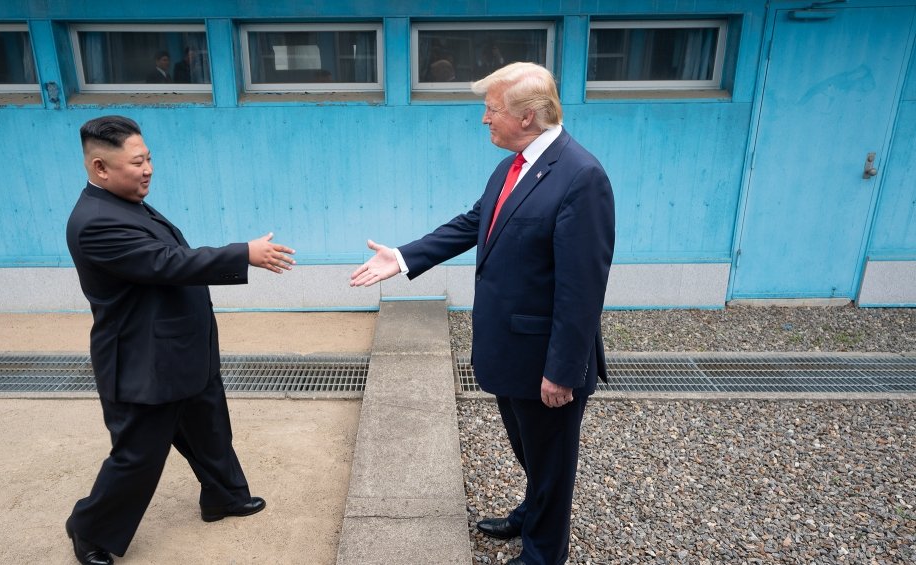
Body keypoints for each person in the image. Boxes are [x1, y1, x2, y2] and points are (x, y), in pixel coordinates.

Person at [349, 62, 614, 565]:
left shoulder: (582, 177)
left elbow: (583, 290)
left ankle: (543, 554)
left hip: (545, 360)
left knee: (553, 461)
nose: (484, 120)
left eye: (492, 111)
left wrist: (563, 371)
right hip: (510, 350)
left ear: (529, 117)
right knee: (530, 452)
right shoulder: (516, 161)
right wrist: (404, 257)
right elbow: (476, 220)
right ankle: (532, 512)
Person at [64, 115, 296, 565]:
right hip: (144, 361)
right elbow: (166, 262)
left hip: (183, 347)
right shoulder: (95, 221)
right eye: (137, 162)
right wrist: (242, 254)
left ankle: (224, 496)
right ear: (100, 168)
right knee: (138, 456)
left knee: (209, 429)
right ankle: (90, 531)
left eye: (149, 157)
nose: (148, 168)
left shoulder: (126, 201)